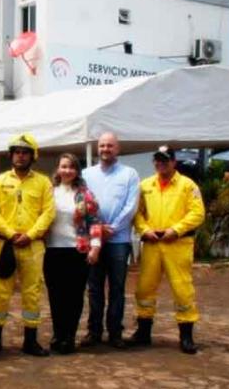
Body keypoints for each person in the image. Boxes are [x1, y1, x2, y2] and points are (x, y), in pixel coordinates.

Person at [129, 145, 205, 354]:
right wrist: (144, 230)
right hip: (152, 243)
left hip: (177, 244)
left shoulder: (187, 186)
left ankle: (186, 336)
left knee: (182, 289)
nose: (160, 163)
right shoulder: (145, 185)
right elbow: (137, 214)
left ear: (174, 162)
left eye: (165, 159)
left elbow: (197, 213)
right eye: (157, 160)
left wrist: (176, 230)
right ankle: (143, 333)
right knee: (144, 288)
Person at [0, 133, 55, 357]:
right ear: (11, 155)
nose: (20, 156)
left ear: (32, 156)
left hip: (32, 247)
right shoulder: (0, 181)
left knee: (32, 293)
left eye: (25, 153)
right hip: (5, 245)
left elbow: (48, 212)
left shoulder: (43, 182)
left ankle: (30, 341)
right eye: (16, 152)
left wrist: (32, 234)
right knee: (0, 292)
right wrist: (10, 233)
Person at [81, 132, 140, 348]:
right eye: (102, 145)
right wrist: (95, 230)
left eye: (110, 146)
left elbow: (131, 205)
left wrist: (112, 228)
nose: (106, 149)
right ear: (98, 148)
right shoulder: (86, 174)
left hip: (118, 240)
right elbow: (82, 205)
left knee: (117, 288)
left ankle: (115, 333)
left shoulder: (129, 174)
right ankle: (94, 332)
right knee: (94, 288)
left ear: (118, 149)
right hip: (93, 241)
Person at [44, 153, 102, 355]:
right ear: (58, 169)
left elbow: (94, 222)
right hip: (51, 250)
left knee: (74, 296)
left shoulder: (86, 194)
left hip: (77, 251)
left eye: (71, 167)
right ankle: (57, 334)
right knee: (55, 296)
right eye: (63, 166)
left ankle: (69, 336)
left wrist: (95, 247)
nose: (67, 170)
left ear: (77, 171)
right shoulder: (49, 192)